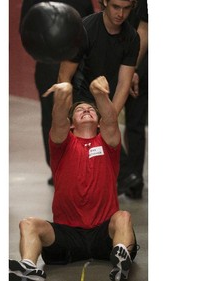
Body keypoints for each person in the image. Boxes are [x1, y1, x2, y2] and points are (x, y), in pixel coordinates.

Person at [9, 76, 138, 281]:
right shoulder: (62, 144)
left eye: (91, 109)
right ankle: (28, 268)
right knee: (28, 224)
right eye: (80, 110)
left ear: (98, 123)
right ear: (71, 125)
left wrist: (99, 95)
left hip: (103, 233)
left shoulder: (108, 142)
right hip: (67, 235)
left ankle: (121, 260)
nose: (86, 110)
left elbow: (111, 120)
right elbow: (59, 120)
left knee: (123, 217)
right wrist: (64, 93)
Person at [56, 0, 143, 194]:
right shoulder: (83, 30)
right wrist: (69, 115)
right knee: (81, 154)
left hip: (105, 98)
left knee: (104, 149)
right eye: (115, 7)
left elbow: (124, 83)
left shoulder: (131, 38)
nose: (121, 14)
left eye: (126, 9)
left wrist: (109, 117)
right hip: (80, 97)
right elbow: (64, 76)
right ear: (104, 2)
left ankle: (118, 182)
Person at [19, 0, 94, 186]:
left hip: (52, 63)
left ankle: (59, 168)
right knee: (81, 114)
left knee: (53, 116)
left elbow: (25, 31)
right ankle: (78, 169)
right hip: (75, 63)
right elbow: (89, 28)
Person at [121, 0, 148, 199]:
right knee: (134, 124)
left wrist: (132, 69)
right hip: (136, 62)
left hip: (138, 64)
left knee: (133, 124)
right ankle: (132, 178)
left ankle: (132, 178)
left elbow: (144, 32)